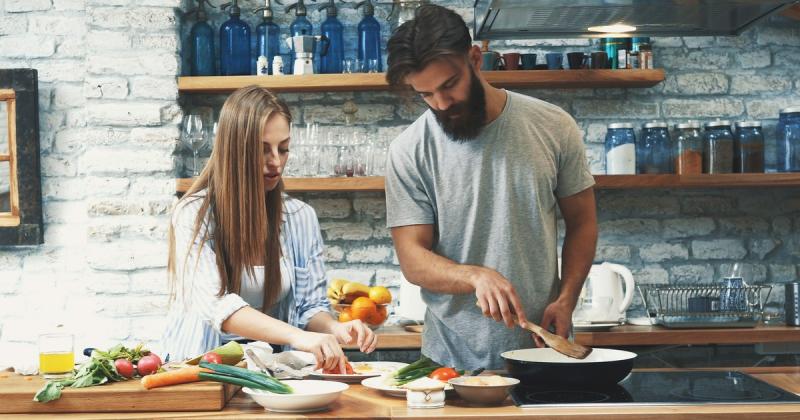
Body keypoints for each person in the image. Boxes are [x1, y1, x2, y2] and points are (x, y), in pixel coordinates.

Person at [384, 5, 598, 369]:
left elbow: (583, 223)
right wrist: (475, 275)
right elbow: (413, 259)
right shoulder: (409, 150)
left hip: (543, 349)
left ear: (475, 58)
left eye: (449, 85)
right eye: (425, 94)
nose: (441, 103)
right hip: (448, 361)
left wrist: (567, 299)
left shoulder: (553, 125)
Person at [162, 86, 376, 373]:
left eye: (283, 148)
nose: (276, 161)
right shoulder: (193, 214)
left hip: (272, 373)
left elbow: (308, 307)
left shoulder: (301, 217)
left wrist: (334, 328)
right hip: (201, 372)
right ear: (233, 151)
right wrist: (299, 337)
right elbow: (219, 308)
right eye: (262, 150)